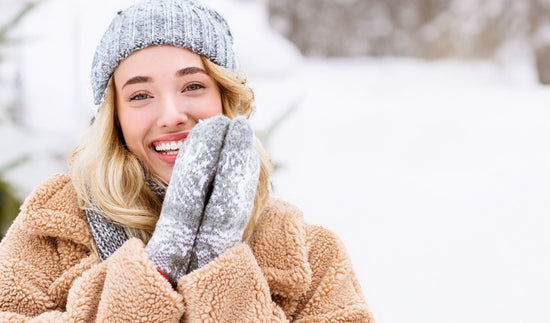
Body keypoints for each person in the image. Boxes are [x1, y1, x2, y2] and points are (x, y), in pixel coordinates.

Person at [0, 0, 375, 321]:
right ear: (114, 118)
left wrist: (218, 257)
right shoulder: (49, 231)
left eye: (193, 86)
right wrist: (159, 267)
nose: (171, 115)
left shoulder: (311, 252)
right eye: (140, 95)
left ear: (227, 98)